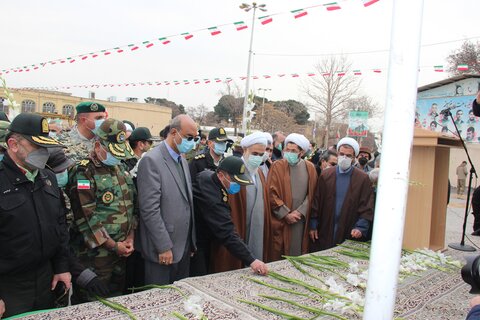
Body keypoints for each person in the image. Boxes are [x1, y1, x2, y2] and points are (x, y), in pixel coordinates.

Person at [0, 113, 71, 318]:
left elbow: (59, 224)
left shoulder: (47, 177)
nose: (44, 153)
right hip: (9, 285)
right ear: (13, 144)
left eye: (45, 147)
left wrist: (61, 267)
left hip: (45, 279)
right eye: (37, 147)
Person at [67, 118, 137, 302]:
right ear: (98, 145)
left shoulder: (120, 168)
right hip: (95, 258)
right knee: (94, 304)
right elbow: (85, 216)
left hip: (121, 254)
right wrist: (114, 246)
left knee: (118, 301)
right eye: (113, 150)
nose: (119, 156)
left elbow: (131, 206)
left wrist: (130, 237)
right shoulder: (83, 172)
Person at [137, 115, 197, 285]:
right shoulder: (152, 160)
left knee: (179, 300)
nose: (192, 142)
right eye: (189, 138)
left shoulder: (182, 159)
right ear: (173, 132)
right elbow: (149, 209)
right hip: (162, 249)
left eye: (195, 138)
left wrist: (190, 242)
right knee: (160, 300)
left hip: (183, 246)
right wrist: (163, 246)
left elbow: (187, 203)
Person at [191, 156, 269, 276]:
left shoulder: (210, 178)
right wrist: (252, 260)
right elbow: (227, 232)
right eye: (235, 181)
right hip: (196, 244)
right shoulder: (212, 198)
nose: (237, 185)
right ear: (221, 175)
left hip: (207, 239)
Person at [309, 137, 374, 251]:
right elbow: (316, 202)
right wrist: (313, 225)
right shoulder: (326, 175)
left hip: (348, 228)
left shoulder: (362, 179)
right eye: (342, 154)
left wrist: (360, 227)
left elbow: (366, 207)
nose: (344, 158)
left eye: (348, 156)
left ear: (354, 158)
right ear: (337, 153)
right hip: (325, 227)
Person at [268, 133, 318, 259]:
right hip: (281, 219)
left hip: (299, 220)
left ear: (301, 152)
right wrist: (286, 214)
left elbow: (312, 193)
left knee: (297, 253)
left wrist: (300, 212)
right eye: (287, 150)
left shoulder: (310, 168)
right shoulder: (277, 166)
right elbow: (271, 193)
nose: (289, 153)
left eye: (293, 151)